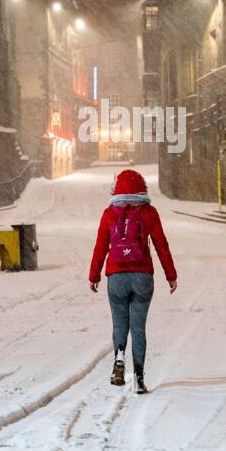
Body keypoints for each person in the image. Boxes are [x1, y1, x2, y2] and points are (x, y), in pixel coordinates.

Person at [88, 169, 177, 394]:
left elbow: (100, 247)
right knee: (138, 328)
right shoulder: (149, 212)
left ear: (116, 188)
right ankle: (138, 377)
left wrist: (94, 275)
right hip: (142, 277)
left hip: (116, 277)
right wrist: (171, 275)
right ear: (142, 188)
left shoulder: (109, 213)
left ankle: (119, 356)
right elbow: (161, 245)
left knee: (120, 325)